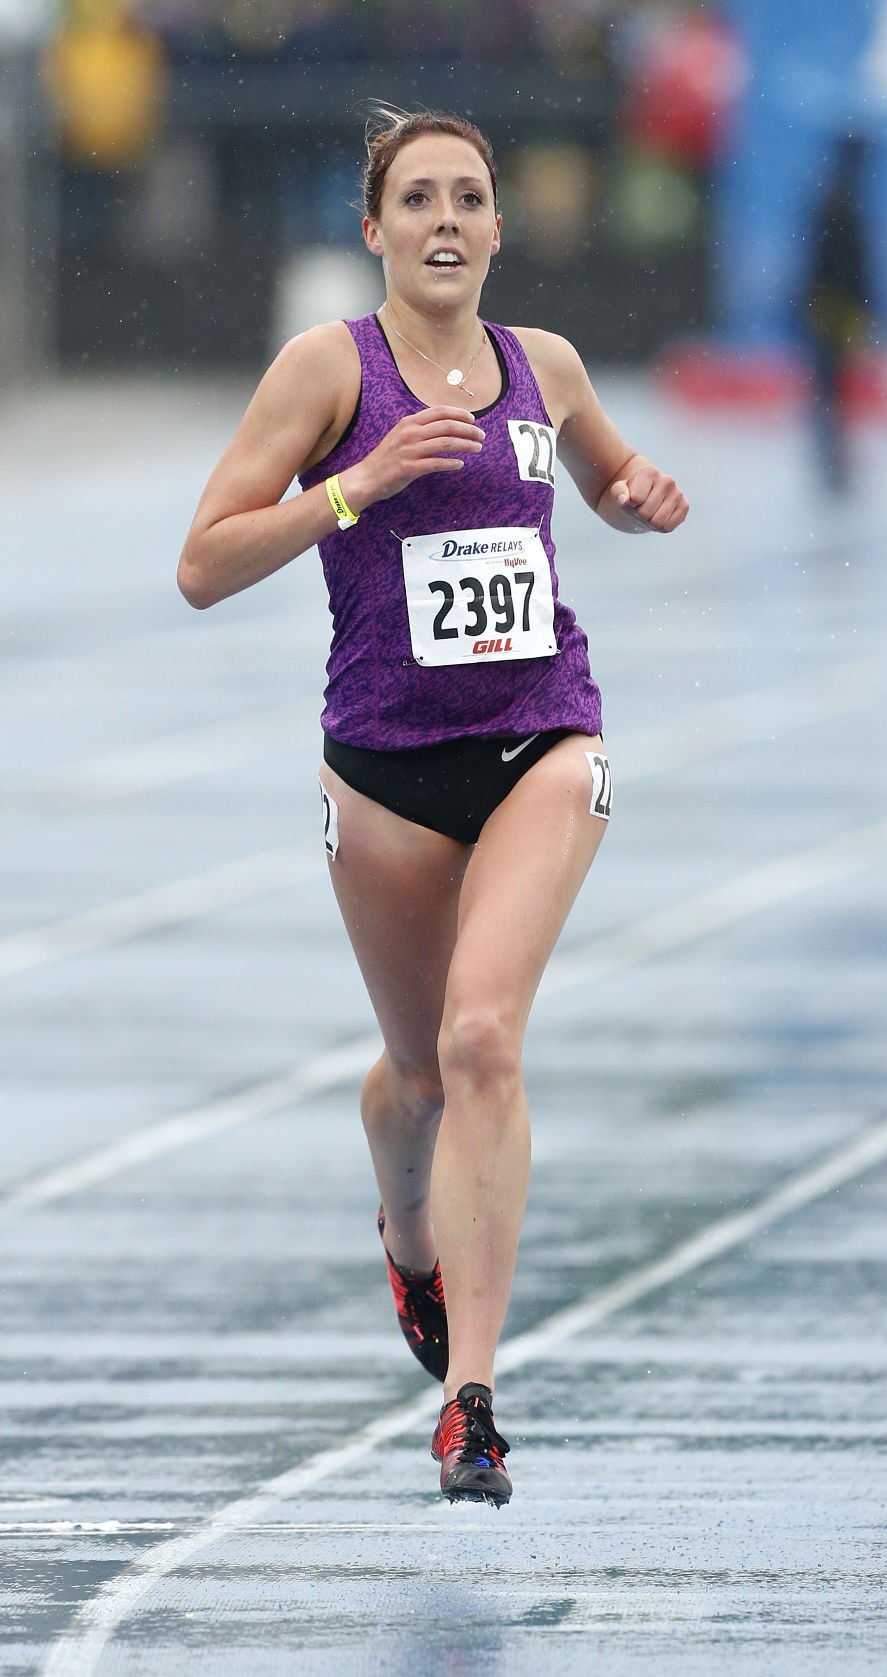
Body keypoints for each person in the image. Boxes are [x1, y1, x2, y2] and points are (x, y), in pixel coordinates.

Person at [177, 107, 688, 1508]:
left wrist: (640, 494)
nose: (447, 221)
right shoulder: (325, 369)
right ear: (376, 230)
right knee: (413, 1079)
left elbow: (606, 478)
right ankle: (408, 1238)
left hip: (543, 743)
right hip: (387, 770)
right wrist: (354, 490)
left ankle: (472, 1398)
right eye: (419, 201)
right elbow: (203, 563)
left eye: (471, 197)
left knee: (480, 1039)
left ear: (501, 227)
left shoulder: (549, 367)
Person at [798, 132, 874, 493]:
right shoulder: (840, 201)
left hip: (833, 305)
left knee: (832, 382)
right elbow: (840, 263)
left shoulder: (835, 197)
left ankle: (832, 449)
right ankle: (830, 450)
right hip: (833, 307)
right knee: (830, 381)